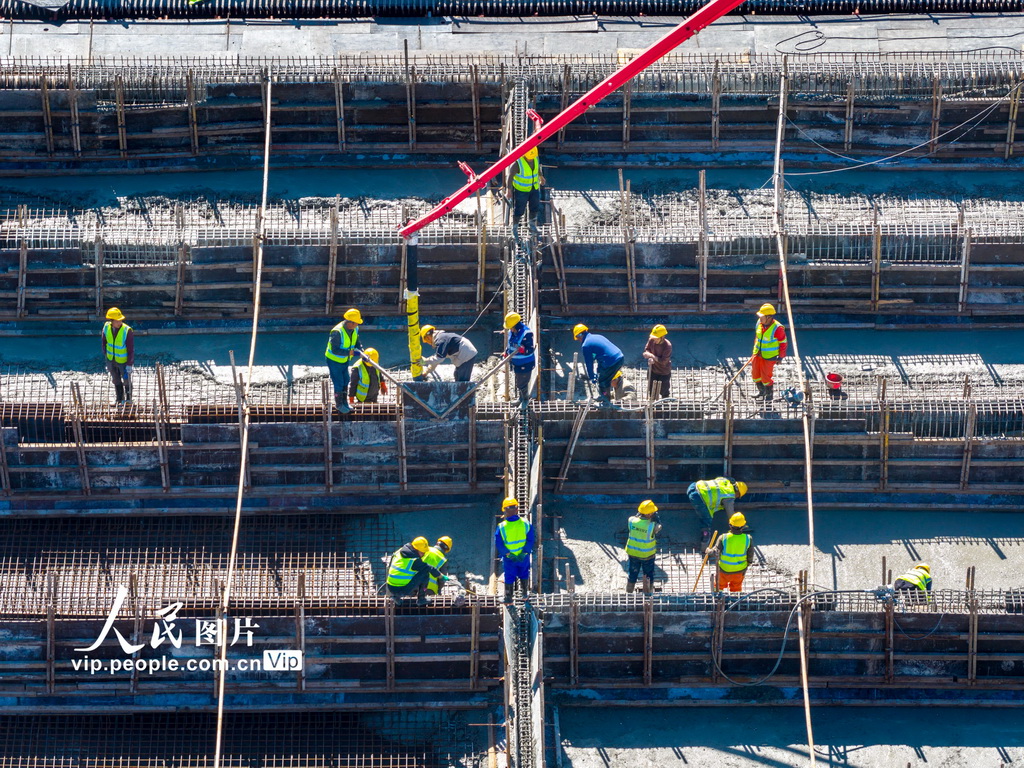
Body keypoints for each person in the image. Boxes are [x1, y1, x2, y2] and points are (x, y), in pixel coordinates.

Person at [386, 536, 446, 606]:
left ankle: (396, 597)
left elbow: (390, 567)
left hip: (390, 587)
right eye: (422, 553)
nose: (423, 555)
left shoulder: (399, 552)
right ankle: (421, 599)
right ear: (416, 549)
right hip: (401, 590)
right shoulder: (414, 561)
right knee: (425, 572)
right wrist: (441, 576)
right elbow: (429, 568)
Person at [496, 497, 534, 604]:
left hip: (509, 558)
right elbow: (530, 539)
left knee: (509, 576)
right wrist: (524, 552)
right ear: (517, 509)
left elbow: (499, 543)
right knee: (524, 573)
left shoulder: (502, 527)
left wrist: (507, 554)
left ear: (505, 510)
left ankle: (508, 598)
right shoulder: (526, 523)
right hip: (523, 556)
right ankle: (525, 595)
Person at [687, 476, 748, 544]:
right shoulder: (729, 496)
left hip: (693, 486)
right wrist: (740, 525)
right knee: (706, 520)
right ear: (738, 493)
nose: (736, 497)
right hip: (698, 497)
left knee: (705, 513)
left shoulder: (725, 481)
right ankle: (705, 544)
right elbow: (731, 516)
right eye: (738, 496)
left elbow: (719, 478)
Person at [325, 308, 364, 414]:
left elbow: (356, 341)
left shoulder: (354, 329)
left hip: (344, 360)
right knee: (339, 383)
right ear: (349, 322)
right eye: (355, 323)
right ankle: (339, 405)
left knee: (346, 380)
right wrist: (350, 353)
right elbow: (335, 350)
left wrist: (361, 350)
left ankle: (345, 403)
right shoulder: (337, 332)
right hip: (334, 361)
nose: (357, 325)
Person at [573, 324, 624, 404]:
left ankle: (606, 401)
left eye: (578, 338)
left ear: (580, 335)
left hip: (611, 361)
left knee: (603, 381)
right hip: (619, 357)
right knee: (603, 377)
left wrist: (591, 376)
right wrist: (597, 372)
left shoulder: (586, 345)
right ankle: (603, 396)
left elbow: (589, 363)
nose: (578, 340)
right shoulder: (598, 336)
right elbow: (600, 356)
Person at [707, 513, 752, 593]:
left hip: (724, 569)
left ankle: (717, 599)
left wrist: (708, 551)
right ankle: (735, 601)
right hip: (739, 570)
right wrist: (748, 563)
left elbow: (715, 551)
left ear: (730, 525)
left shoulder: (723, 537)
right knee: (736, 588)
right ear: (743, 526)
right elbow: (750, 554)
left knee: (718, 586)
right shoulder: (748, 538)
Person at [751, 303, 787, 404]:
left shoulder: (778, 328)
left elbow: (783, 343)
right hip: (757, 354)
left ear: (769, 317)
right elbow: (757, 337)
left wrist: (780, 357)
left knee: (766, 377)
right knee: (755, 374)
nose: (760, 318)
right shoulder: (759, 323)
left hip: (769, 356)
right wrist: (755, 350)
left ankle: (769, 395)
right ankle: (761, 392)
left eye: (762, 316)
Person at [625, 500, 662, 595]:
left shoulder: (631, 520)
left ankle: (629, 591)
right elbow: (659, 527)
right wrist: (657, 519)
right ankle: (649, 593)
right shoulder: (653, 526)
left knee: (632, 573)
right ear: (649, 514)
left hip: (633, 553)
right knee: (648, 574)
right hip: (647, 555)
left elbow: (636, 521)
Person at [101, 307, 134, 406]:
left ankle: (128, 400)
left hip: (123, 361)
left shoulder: (126, 330)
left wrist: (129, 364)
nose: (120, 322)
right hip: (111, 359)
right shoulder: (106, 327)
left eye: (120, 320)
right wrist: (106, 356)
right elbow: (104, 342)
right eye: (117, 321)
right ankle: (119, 399)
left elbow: (131, 349)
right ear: (111, 321)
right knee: (116, 379)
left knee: (126, 380)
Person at [504, 312, 535, 403]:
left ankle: (524, 400)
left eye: (511, 327)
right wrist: (507, 352)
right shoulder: (512, 332)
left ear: (516, 325)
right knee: (519, 381)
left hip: (525, 364)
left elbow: (530, 349)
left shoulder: (526, 333)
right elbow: (510, 344)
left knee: (522, 383)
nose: (510, 329)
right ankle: (521, 398)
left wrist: (523, 350)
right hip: (516, 363)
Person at [511, 146, 542, 236]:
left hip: (534, 188)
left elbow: (537, 168)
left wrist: (541, 176)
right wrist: (509, 190)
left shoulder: (535, 157)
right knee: (519, 209)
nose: (531, 159)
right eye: (529, 158)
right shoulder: (518, 163)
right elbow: (510, 177)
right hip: (521, 191)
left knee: (535, 207)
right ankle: (515, 228)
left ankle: (532, 226)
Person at [643, 324, 672, 400]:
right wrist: (649, 356)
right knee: (652, 391)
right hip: (653, 370)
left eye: (656, 338)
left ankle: (665, 408)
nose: (654, 340)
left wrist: (652, 356)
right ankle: (652, 406)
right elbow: (647, 349)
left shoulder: (667, 346)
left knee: (664, 392)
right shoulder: (652, 340)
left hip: (664, 372)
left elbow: (663, 361)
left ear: (662, 337)